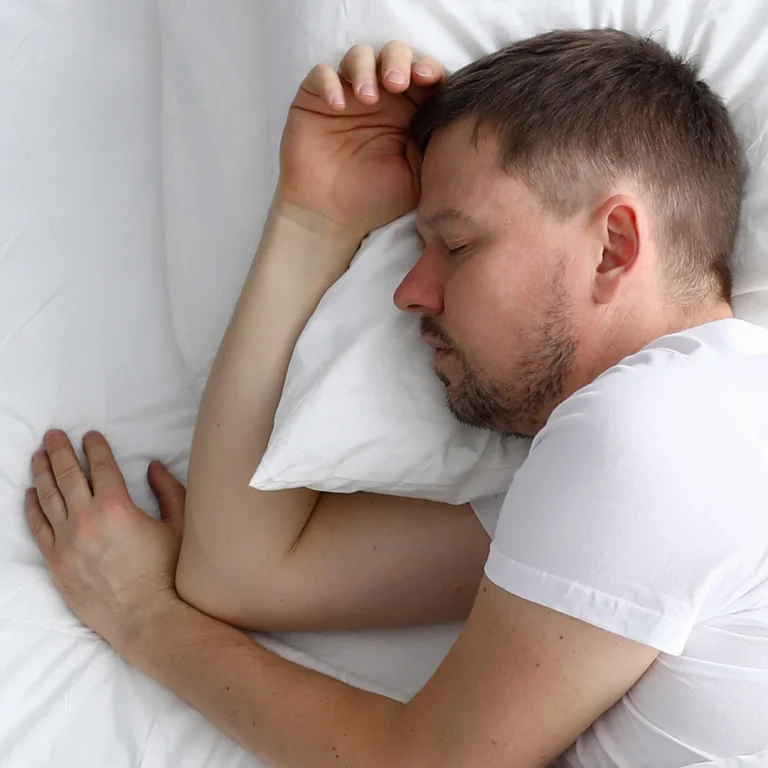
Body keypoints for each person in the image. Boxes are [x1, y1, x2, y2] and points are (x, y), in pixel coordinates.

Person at [23, 28, 768, 767]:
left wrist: (143, 618)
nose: (411, 292)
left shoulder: (660, 432)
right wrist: (314, 217)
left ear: (614, 247)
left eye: (458, 244)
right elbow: (242, 573)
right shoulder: (690, 439)